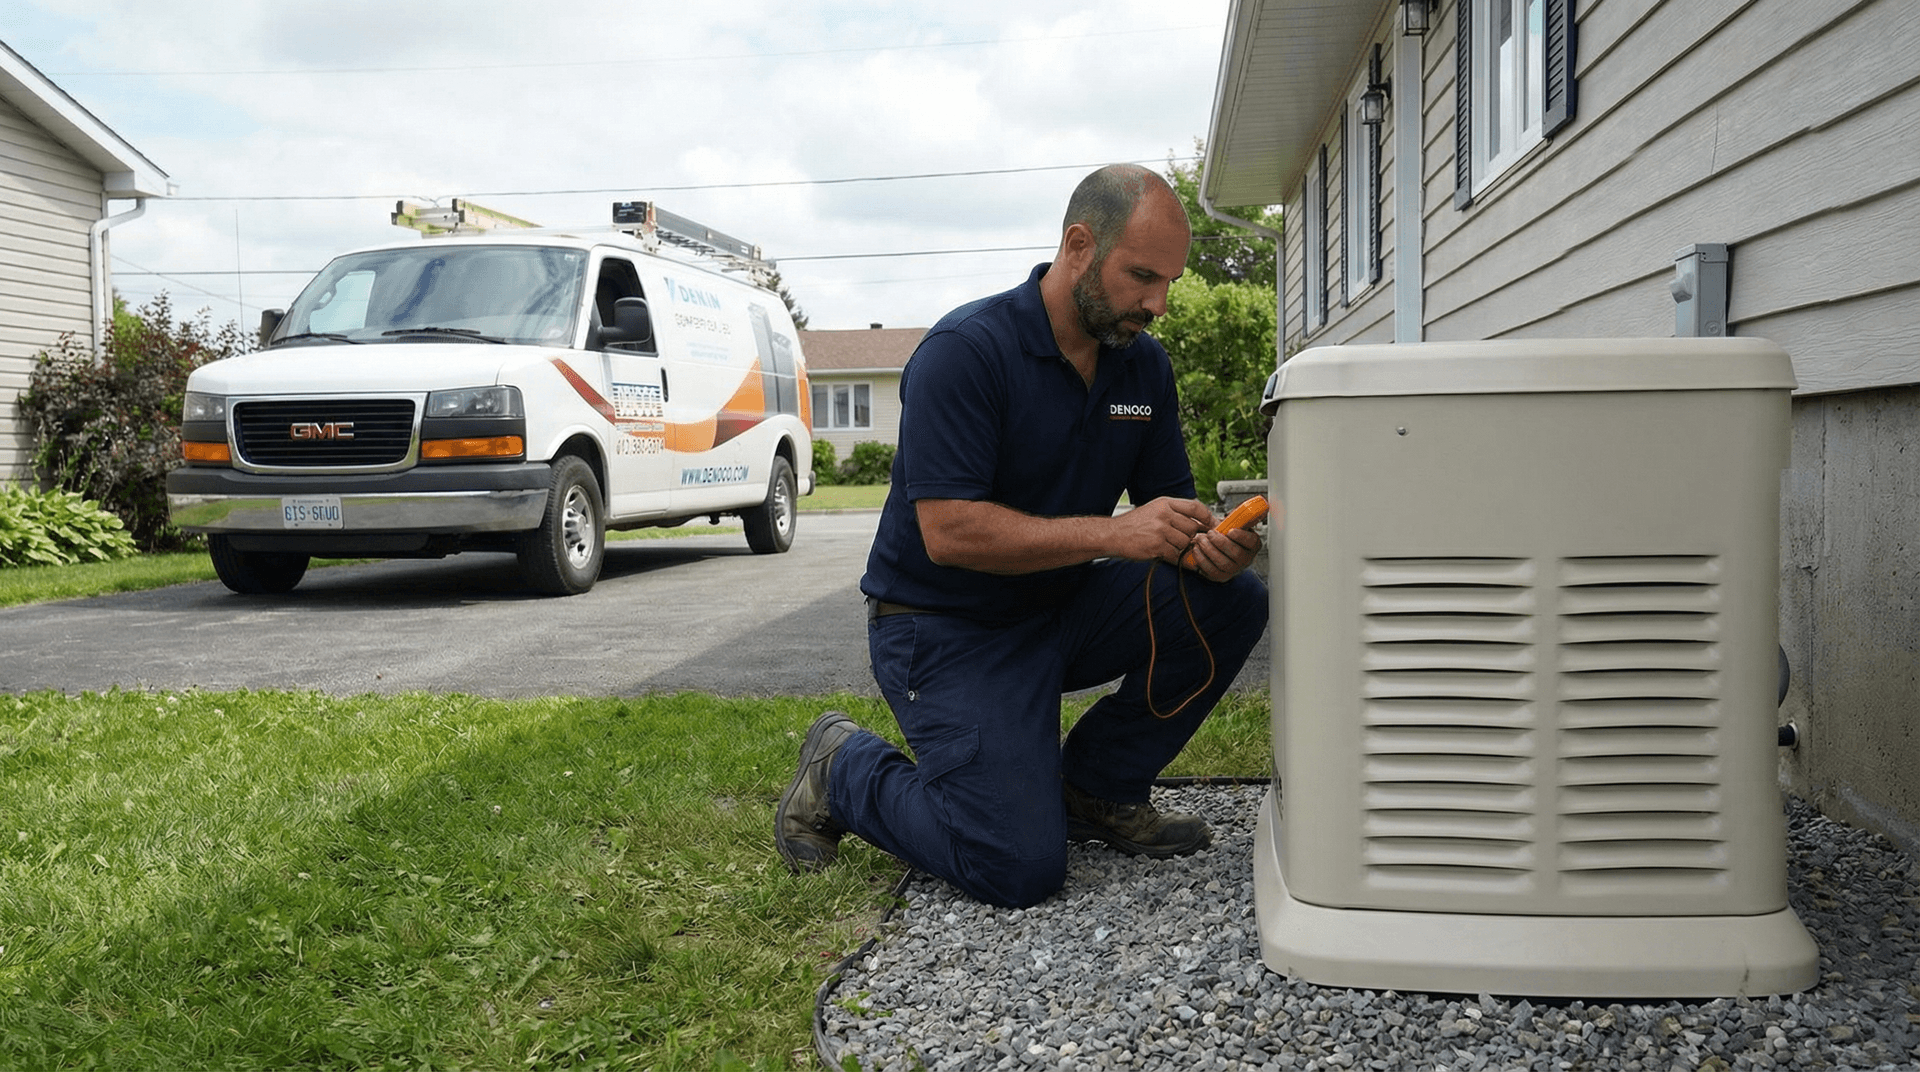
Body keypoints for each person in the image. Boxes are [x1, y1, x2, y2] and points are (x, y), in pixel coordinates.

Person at [775, 164, 1269, 909]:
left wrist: (1212, 547)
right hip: (944, 631)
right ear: (1079, 246)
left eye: (1169, 281)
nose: (1158, 303)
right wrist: (1116, 532)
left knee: (1231, 601)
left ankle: (1097, 787)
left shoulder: (1143, 368)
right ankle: (843, 768)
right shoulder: (966, 352)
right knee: (1015, 867)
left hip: (1059, 610)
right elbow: (949, 533)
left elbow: (1165, 511)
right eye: (1142, 276)